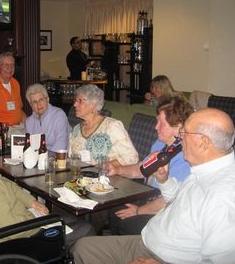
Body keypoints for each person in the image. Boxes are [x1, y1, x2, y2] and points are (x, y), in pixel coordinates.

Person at [73, 108, 235, 263]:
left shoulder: (223, 195)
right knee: (82, 247)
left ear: (203, 142)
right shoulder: (204, 169)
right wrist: (164, 180)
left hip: (164, 257)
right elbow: (175, 198)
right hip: (149, 241)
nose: (181, 137)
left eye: (185, 133)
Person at [0, 99, 95, 247]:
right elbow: (10, 229)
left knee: (66, 219)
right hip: (18, 240)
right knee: (86, 229)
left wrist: (32, 202)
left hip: (9, 223)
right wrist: (35, 219)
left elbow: (3, 183)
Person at [108, 96, 194, 235]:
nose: (155, 127)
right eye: (157, 121)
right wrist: (117, 169)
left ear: (178, 127)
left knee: (127, 223)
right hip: (148, 195)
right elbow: (143, 168)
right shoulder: (161, 143)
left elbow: (172, 199)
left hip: (167, 209)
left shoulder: (186, 156)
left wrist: (138, 211)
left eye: (161, 123)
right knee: (113, 208)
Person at [70, 84, 138, 166]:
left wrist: (104, 166)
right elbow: (71, 158)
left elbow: (132, 158)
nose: (75, 105)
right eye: (75, 101)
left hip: (105, 177)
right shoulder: (76, 129)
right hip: (80, 177)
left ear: (93, 104)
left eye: (80, 101)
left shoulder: (112, 126)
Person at [25, 83, 70, 153]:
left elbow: (61, 146)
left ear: (47, 99)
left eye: (41, 100)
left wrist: (42, 156)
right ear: (30, 105)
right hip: (38, 160)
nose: (38, 104)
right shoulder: (29, 122)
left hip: (59, 159)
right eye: (34, 102)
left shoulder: (59, 115)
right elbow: (29, 148)